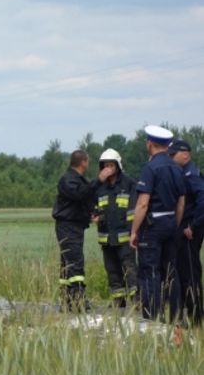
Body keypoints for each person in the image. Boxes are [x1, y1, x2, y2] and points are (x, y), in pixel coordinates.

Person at [130, 126, 186, 321]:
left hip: (152, 225)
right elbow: (181, 203)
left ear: (150, 143)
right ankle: (177, 316)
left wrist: (134, 231)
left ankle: (151, 316)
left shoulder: (150, 168)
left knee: (149, 271)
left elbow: (143, 203)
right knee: (171, 270)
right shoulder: (176, 168)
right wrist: (175, 224)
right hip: (171, 222)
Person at [53, 150, 113, 311]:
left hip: (75, 226)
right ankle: (79, 300)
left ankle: (67, 300)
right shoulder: (68, 180)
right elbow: (80, 194)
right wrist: (99, 180)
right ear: (83, 162)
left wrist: (92, 213)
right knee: (75, 263)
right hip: (68, 226)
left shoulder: (78, 180)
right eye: (88, 161)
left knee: (67, 264)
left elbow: (83, 200)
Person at [92, 149, 138, 308]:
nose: (108, 168)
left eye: (111, 165)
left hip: (125, 237)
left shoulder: (129, 184)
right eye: (105, 165)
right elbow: (91, 203)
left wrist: (134, 232)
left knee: (129, 269)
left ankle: (137, 301)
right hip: (106, 237)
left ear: (118, 166)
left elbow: (134, 210)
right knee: (112, 270)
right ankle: (119, 301)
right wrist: (94, 215)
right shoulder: (99, 187)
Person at [169, 139, 204, 323]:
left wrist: (193, 225)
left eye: (173, 154)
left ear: (185, 154)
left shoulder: (192, 174)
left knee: (191, 273)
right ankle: (187, 312)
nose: (171, 158)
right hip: (184, 230)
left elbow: (203, 202)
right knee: (183, 272)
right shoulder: (183, 172)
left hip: (190, 232)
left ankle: (196, 316)